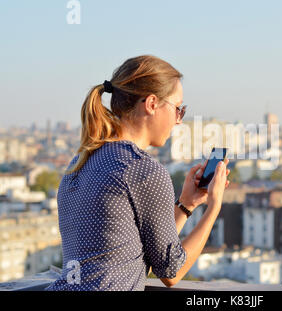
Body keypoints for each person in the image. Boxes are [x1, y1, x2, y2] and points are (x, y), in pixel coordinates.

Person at [45, 55, 229, 291]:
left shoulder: (80, 162)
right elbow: (171, 272)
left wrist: (186, 204)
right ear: (152, 104)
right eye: (177, 109)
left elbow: (141, 250)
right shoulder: (142, 170)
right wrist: (214, 207)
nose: (178, 121)